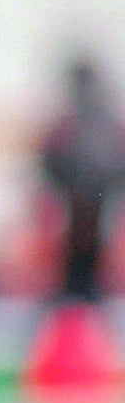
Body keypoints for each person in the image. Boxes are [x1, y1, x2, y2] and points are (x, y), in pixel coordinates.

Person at [37, 54, 125, 302]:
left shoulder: (75, 123)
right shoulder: (76, 123)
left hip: (89, 216)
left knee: (84, 280)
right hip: (78, 217)